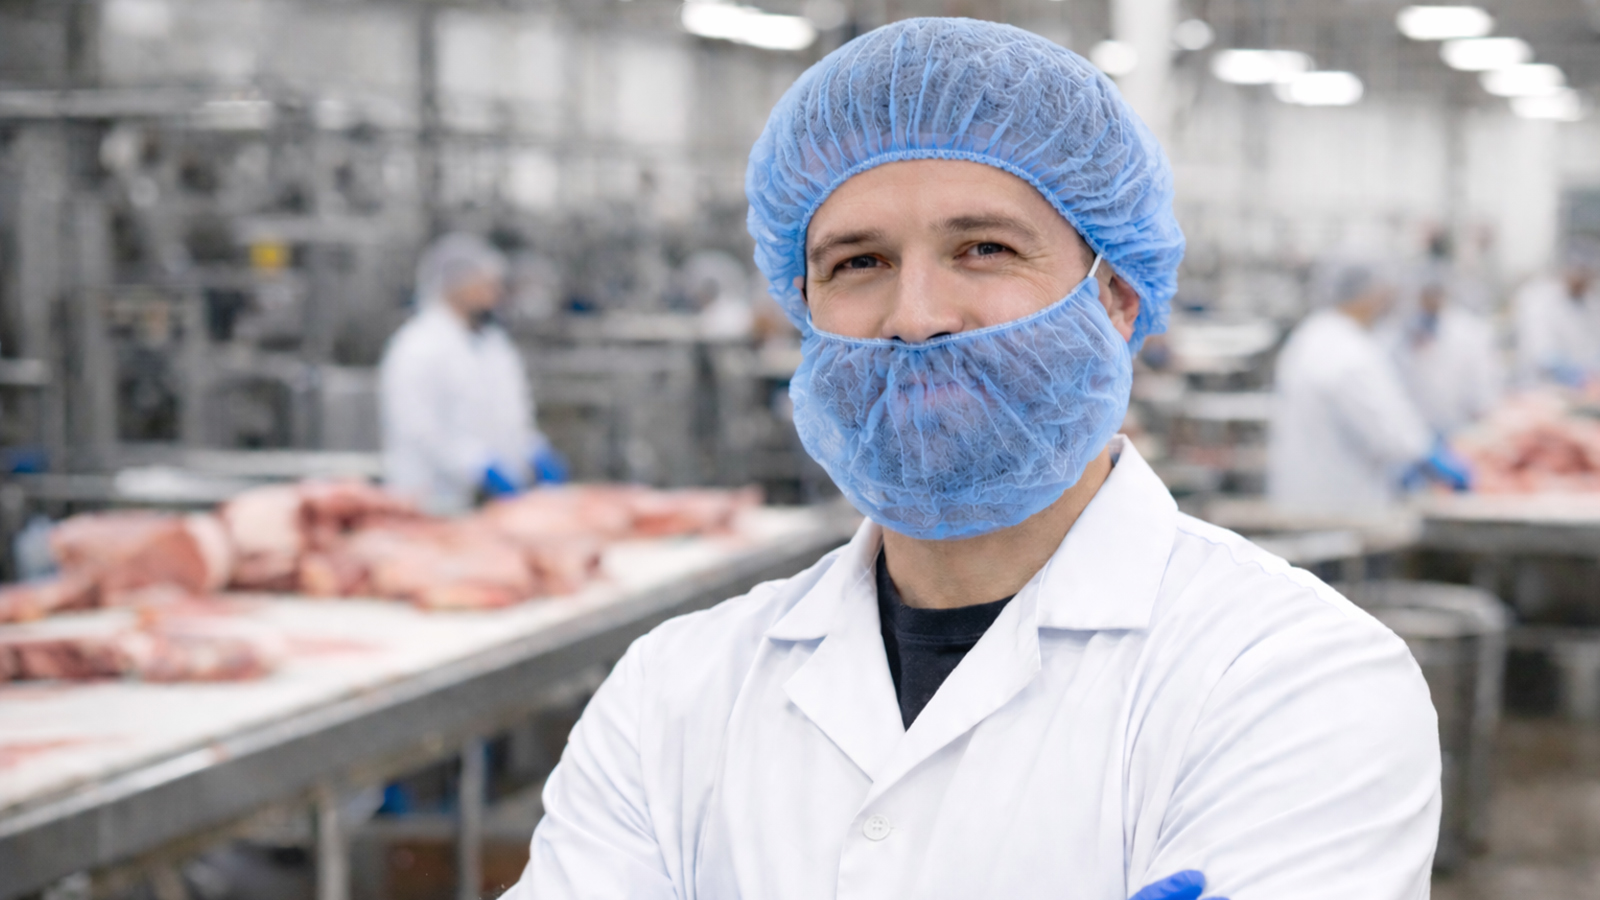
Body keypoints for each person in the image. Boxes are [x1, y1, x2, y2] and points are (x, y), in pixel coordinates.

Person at [509, 19, 1439, 900]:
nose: (916, 314)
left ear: (1114, 297)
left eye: (983, 248)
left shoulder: (1294, 681)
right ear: (802, 312)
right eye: (858, 263)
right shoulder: (671, 694)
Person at [378, 233, 567, 515]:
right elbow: (420, 431)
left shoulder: (494, 345)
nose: (495, 295)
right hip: (433, 503)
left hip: (493, 506)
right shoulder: (417, 347)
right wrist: (477, 466)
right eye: (485, 285)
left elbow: (510, 418)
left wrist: (533, 451)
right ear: (456, 286)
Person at [1269, 260, 1471, 517]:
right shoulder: (1350, 351)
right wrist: (1428, 456)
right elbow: (1392, 434)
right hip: (1340, 505)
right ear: (1367, 294)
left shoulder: (1314, 333)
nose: (1388, 302)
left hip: (1305, 496)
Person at [1385, 265, 1503, 436]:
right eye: (1424, 295)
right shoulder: (1401, 330)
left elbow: (1483, 385)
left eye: (1434, 293)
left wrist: (1484, 420)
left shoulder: (1469, 330)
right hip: (1415, 427)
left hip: (1461, 426)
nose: (1429, 300)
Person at [1513, 244, 1600, 387]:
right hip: (1542, 387)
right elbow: (1541, 353)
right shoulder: (1539, 299)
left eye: (1589, 274)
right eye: (1579, 272)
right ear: (1565, 270)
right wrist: (1567, 370)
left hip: (1583, 389)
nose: (1584, 280)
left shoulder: (1591, 302)